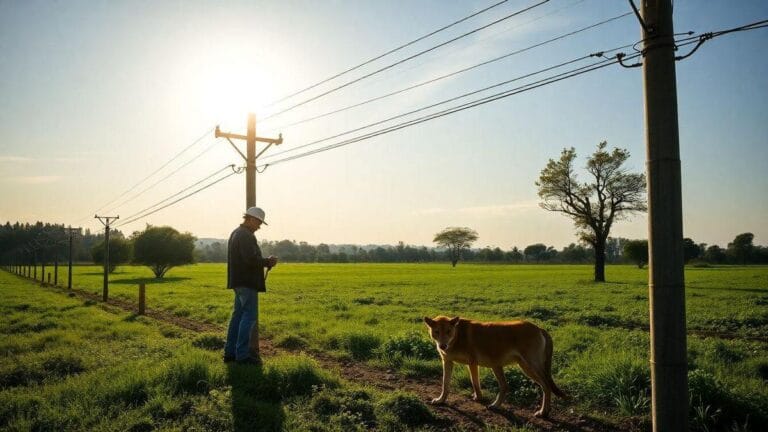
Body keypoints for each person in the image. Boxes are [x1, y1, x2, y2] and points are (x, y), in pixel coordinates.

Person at [224, 206, 278, 365]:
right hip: (247, 282)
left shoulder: (236, 233)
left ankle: (230, 353)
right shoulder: (246, 235)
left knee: (237, 317)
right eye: (259, 222)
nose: (259, 226)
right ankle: (242, 355)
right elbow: (250, 259)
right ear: (251, 219)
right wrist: (268, 261)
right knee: (249, 316)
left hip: (238, 282)